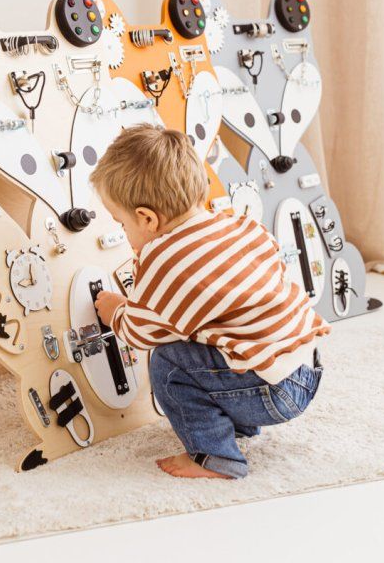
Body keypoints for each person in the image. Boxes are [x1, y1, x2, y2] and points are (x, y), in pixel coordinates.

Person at [89, 123, 329, 479]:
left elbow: (141, 333)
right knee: (208, 338)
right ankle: (238, 423)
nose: (124, 234)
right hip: (306, 368)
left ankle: (215, 456)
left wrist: (116, 311)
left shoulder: (165, 260)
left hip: (271, 391)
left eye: (121, 225)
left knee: (168, 363)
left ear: (147, 219)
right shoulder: (241, 225)